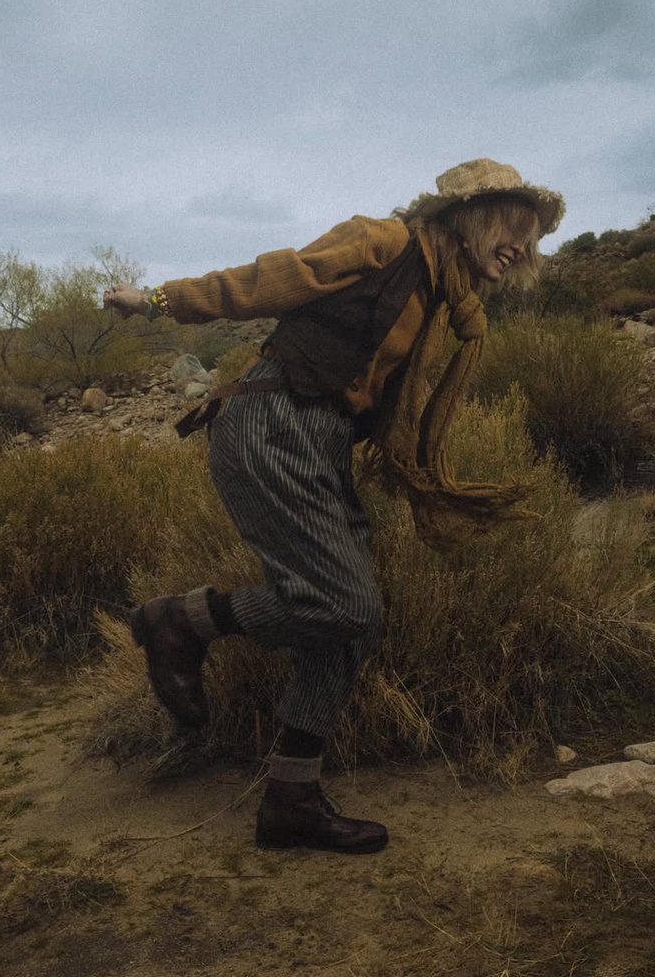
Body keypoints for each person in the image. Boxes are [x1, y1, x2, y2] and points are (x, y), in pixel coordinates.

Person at [103, 158, 565, 855]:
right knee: (348, 603)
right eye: (513, 228)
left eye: (531, 239)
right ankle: (180, 622)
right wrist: (161, 301)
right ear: (470, 218)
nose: (521, 248)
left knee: (346, 628)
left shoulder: (448, 298)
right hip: (272, 423)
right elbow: (273, 276)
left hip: (317, 441)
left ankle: (291, 799)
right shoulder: (383, 241)